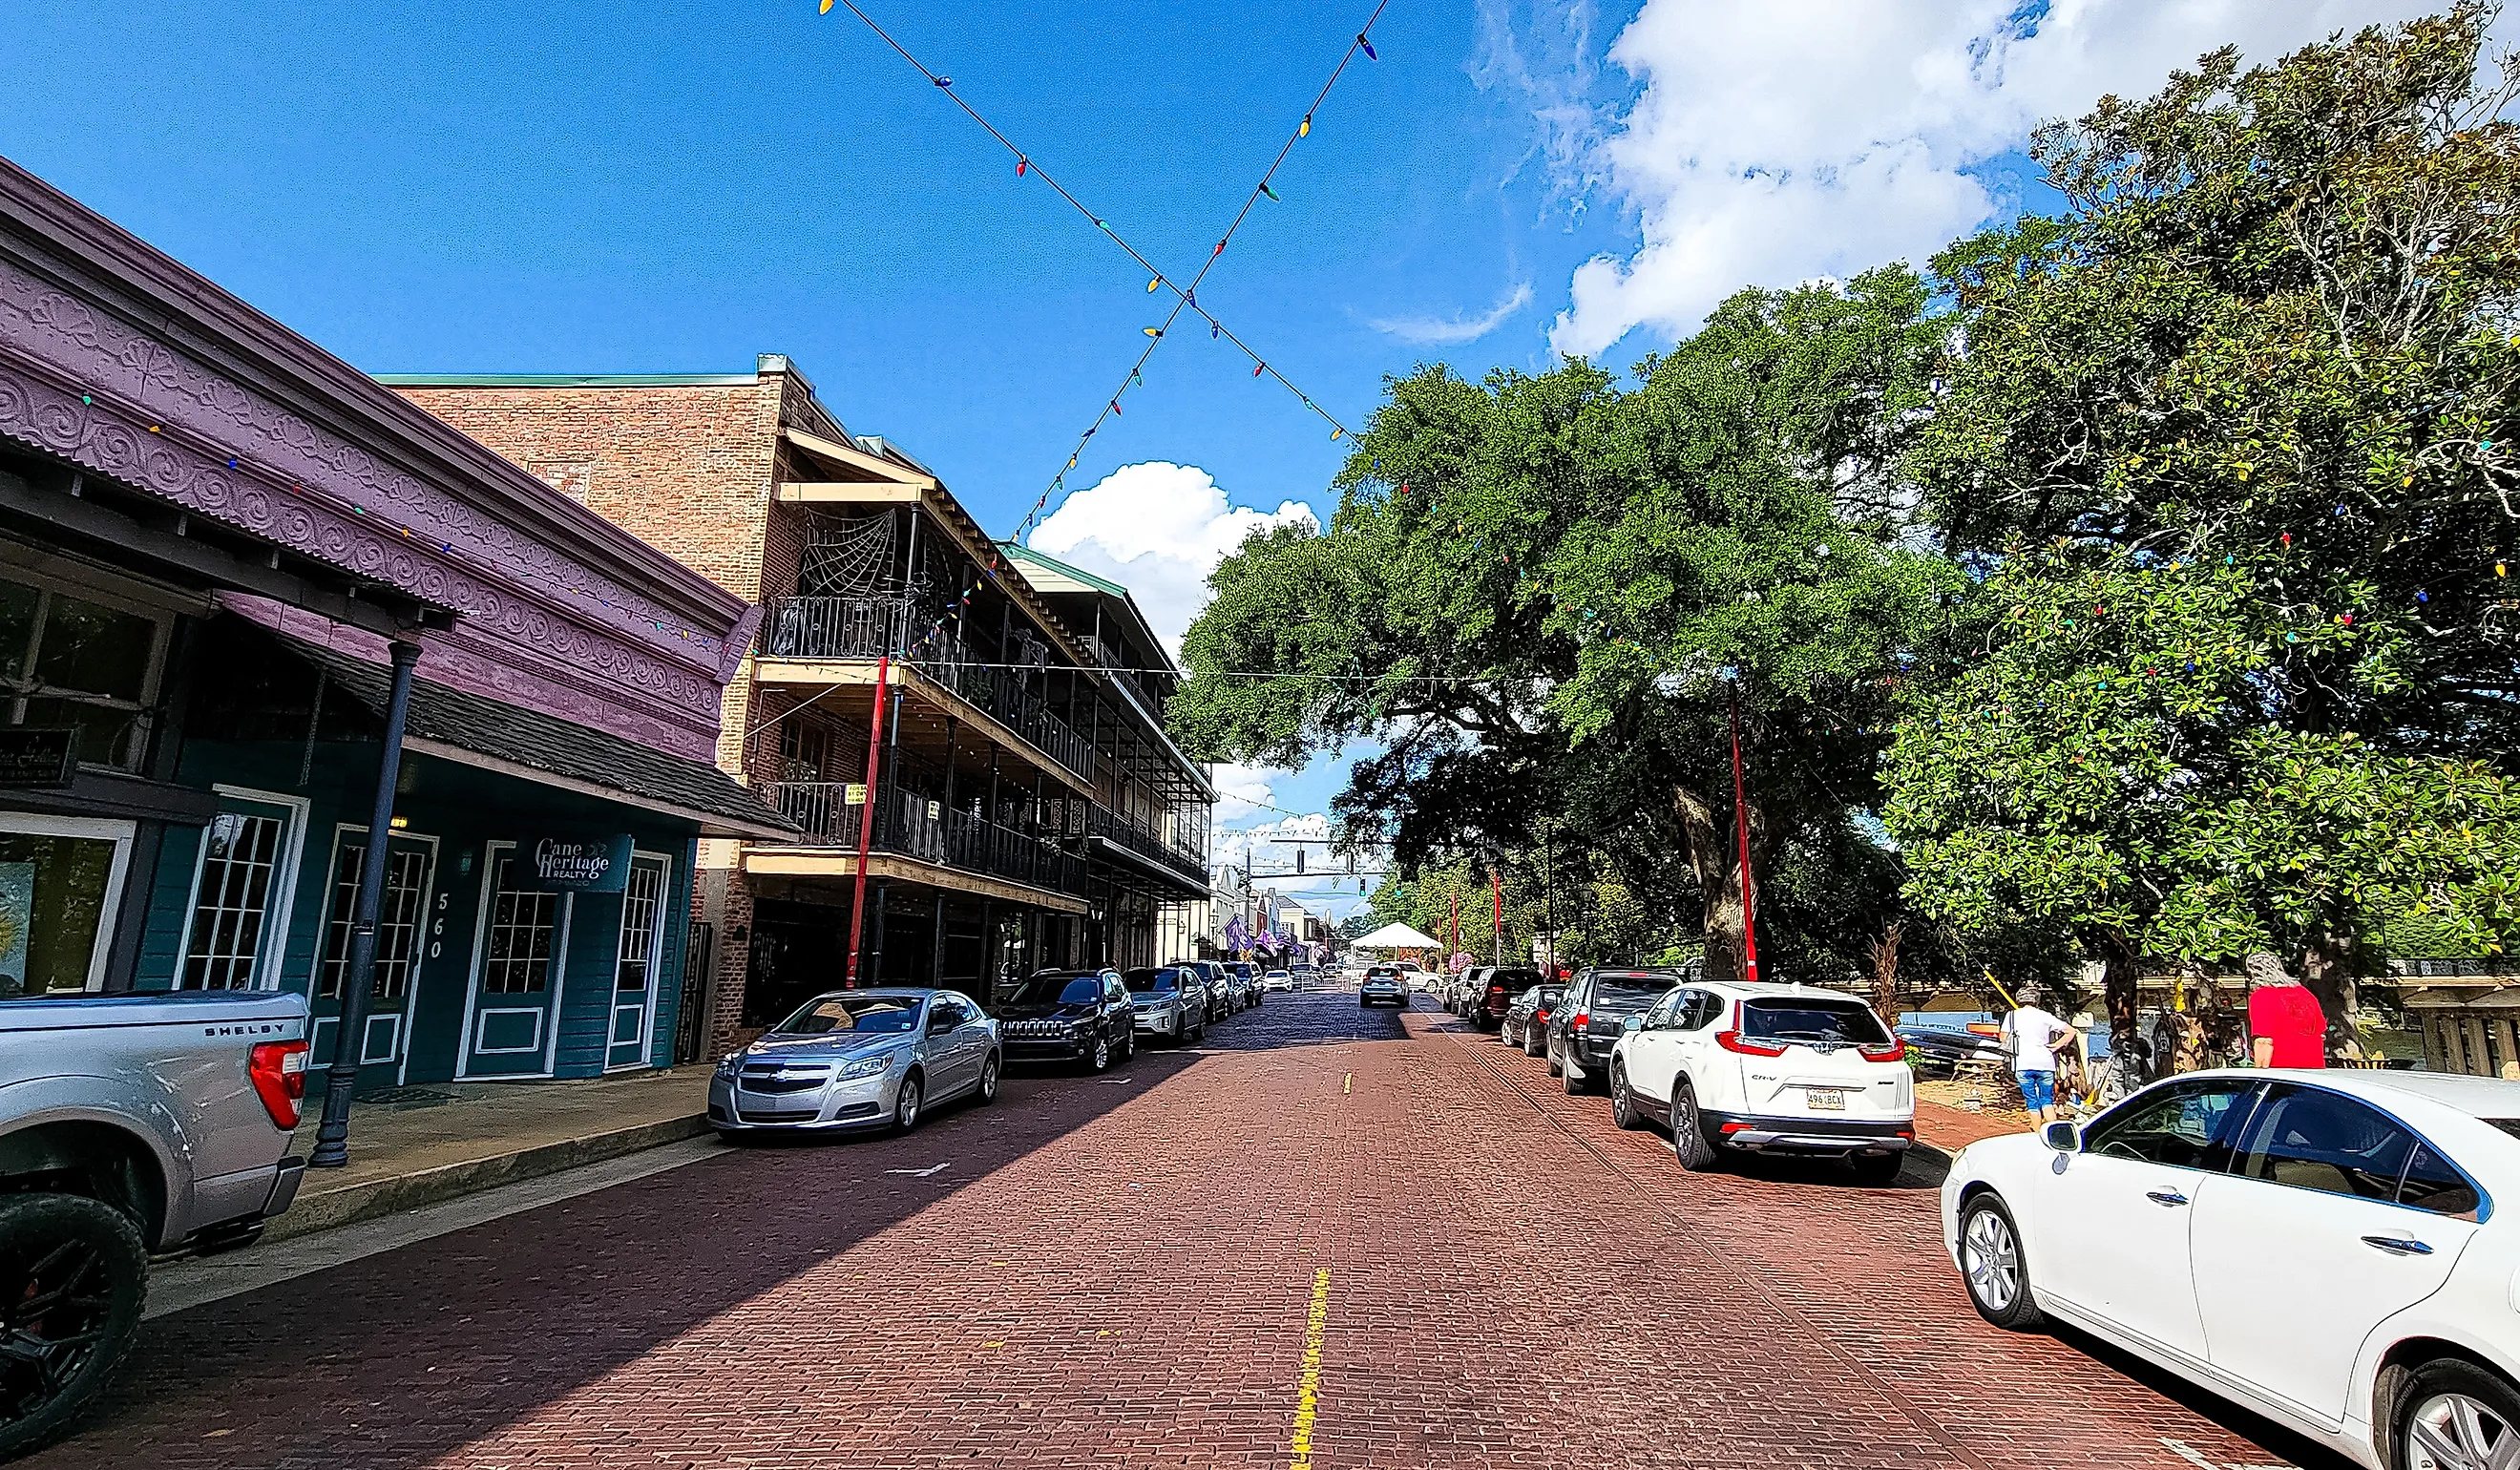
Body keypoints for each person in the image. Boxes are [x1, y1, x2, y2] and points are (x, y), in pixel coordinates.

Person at [2000, 984, 2076, 1125]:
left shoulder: (2011, 1016)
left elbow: (2003, 1038)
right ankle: (2053, 1132)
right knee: (2047, 1100)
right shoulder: (2045, 1016)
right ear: (2037, 1000)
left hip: (2023, 1063)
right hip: (2045, 1063)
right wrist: (2057, 1045)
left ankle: (2037, 1134)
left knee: (2032, 1102)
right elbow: (2071, 1031)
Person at [2244, 952, 2328, 1068]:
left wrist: (2260, 1075)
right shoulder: (2305, 994)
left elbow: (2264, 1041)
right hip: (2314, 1070)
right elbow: (2321, 1034)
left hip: (2282, 1072)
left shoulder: (2261, 996)